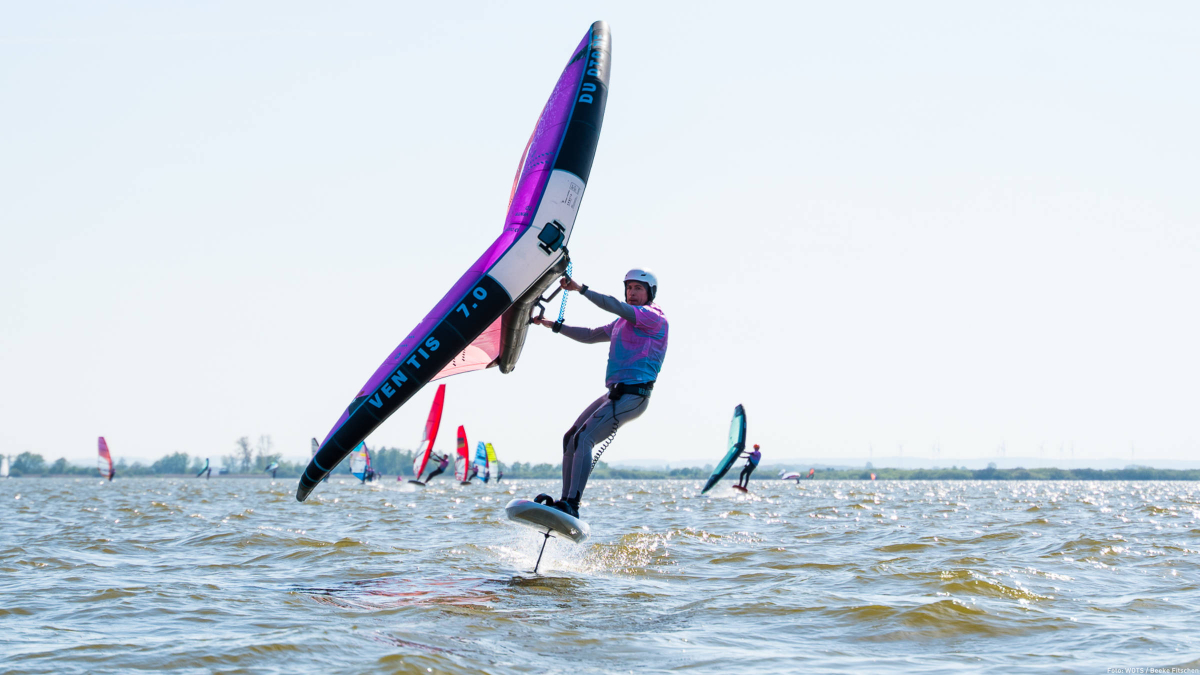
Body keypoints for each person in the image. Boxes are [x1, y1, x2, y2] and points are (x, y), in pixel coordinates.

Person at [532, 268, 669, 518]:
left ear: (650, 293)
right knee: (570, 437)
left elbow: (614, 305)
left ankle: (573, 505)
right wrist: (553, 325)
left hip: (634, 396)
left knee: (584, 439)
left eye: (638, 288)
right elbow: (590, 335)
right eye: (629, 288)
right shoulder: (622, 322)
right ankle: (564, 501)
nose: (632, 293)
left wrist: (580, 289)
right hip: (614, 394)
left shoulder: (652, 317)